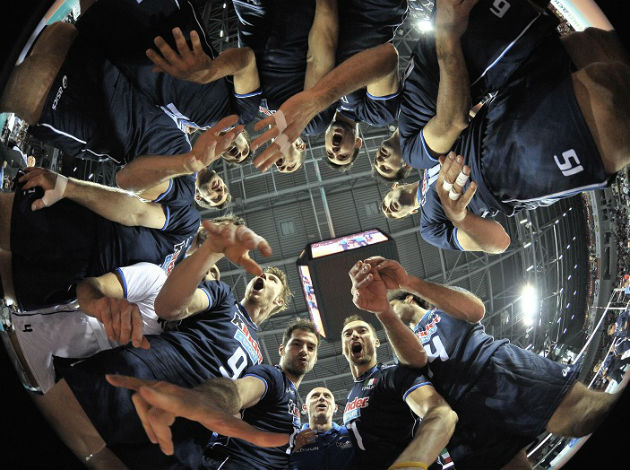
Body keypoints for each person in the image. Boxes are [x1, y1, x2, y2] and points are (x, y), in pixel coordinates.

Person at [34, 219, 291, 469]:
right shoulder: (224, 297)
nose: (264, 277)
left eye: (273, 280)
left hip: (185, 429)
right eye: (264, 274)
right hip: (149, 372)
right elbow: (169, 307)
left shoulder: (259, 362)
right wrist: (209, 252)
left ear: (279, 302)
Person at [379, 0, 629, 252]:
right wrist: (458, 216)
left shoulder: (423, 161)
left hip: (501, 108)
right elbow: (499, 242)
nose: (389, 209)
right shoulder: (429, 227)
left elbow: (452, 115)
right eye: (391, 215)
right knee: (611, 101)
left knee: (594, 45)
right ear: (406, 216)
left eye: (385, 204)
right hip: (507, 168)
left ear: (394, 186)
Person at [355, 255, 621, 469]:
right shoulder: (400, 346)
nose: (392, 312)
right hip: (463, 413)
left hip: (493, 367)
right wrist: (385, 312)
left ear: (409, 299)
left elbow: (476, 310)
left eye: (394, 305)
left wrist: (408, 281)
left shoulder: (440, 306)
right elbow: (416, 362)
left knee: (581, 415)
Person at [107, 319, 321, 470]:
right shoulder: (272, 376)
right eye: (297, 344)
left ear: (315, 358)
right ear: (282, 349)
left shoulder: (294, 399)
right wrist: (202, 400)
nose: (304, 350)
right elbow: (239, 391)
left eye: (311, 347)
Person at [289, 387, 355, 470]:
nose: (321, 398)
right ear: (305, 407)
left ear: (335, 408)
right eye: (315, 396)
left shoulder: (352, 434)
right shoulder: (292, 441)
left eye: (327, 396)